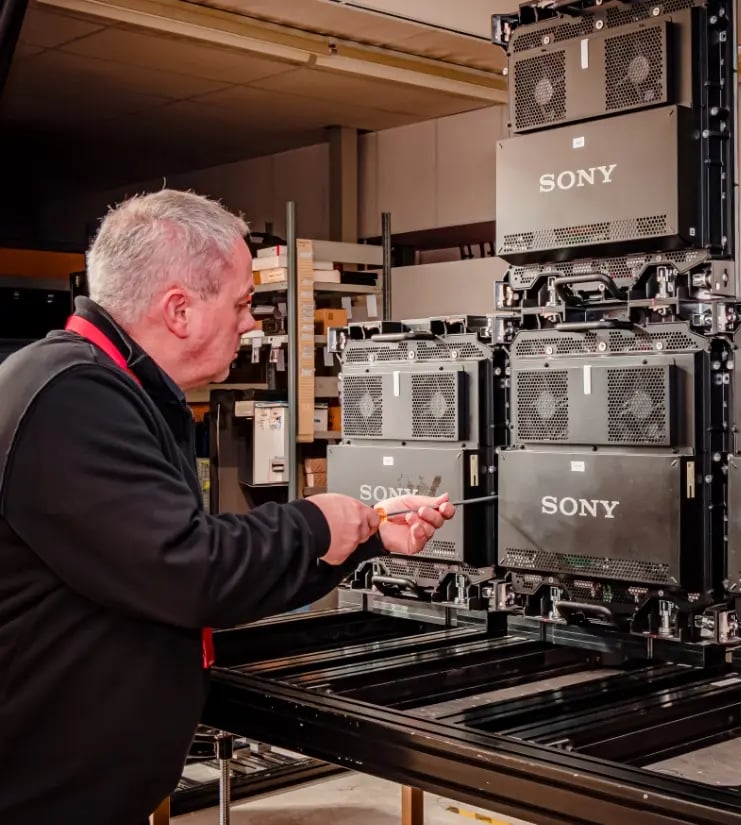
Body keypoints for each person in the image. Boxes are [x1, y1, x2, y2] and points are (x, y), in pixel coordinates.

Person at [0, 189, 456, 825]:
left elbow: (185, 556)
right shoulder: (71, 398)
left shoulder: (106, 387)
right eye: (243, 303)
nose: (251, 323)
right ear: (179, 310)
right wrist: (315, 521)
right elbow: (189, 571)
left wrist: (368, 535)